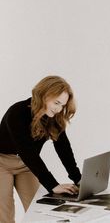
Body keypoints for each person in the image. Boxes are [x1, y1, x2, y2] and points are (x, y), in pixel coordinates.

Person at [0, 75, 81, 223]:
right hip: (2, 162)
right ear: (43, 95)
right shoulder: (17, 112)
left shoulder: (53, 118)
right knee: (4, 214)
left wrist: (79, 179)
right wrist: (53, 185)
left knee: (38, 211)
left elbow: (64, 149)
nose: (58, 109)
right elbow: (27, 151)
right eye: (56, 103)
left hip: (26, 166)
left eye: (62, 105)